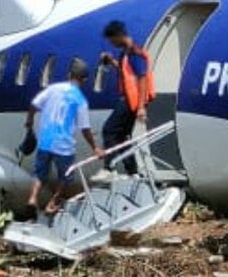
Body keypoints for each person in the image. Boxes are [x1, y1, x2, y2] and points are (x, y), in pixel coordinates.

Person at [25, 58, 105, 216]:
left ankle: (33, 198)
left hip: (45, 140)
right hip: (64, 145)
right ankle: (53, 202)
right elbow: (85, 128)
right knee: (66, 176)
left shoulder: (53, 88)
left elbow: (34, 104)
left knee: (40, 173)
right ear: (84, 79)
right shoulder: (80, 100)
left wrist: (29, 120)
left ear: (69, 74)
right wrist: (95, 147)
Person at [98, 20, 155, 176]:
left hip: (131, 101)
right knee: (123, 136)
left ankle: (108, 168)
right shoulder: (127, 52)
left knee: (109, 130)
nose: (112, 44)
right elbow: (127, 72)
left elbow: (142, 77)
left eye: (112, 40)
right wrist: (112, 62)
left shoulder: (134, 52)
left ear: (118, 36)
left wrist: (142, 107)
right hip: (131, 100)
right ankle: (132, 171)